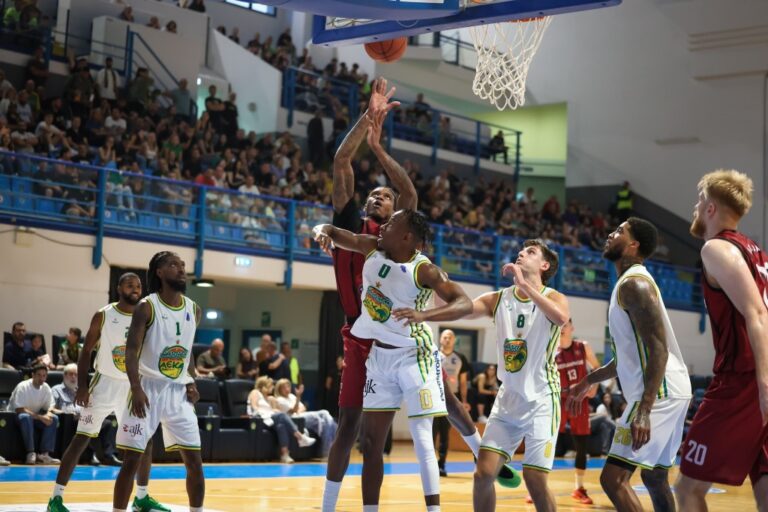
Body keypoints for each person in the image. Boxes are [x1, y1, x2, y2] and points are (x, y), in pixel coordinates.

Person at [321, 77, 518, 512]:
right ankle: (329, 505)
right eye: (373, 195)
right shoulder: (359, 231)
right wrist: (368, 119)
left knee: (446, 399)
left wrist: (380, 149)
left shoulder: (403, 242)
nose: (376, 198)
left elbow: (409, 192)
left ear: (400, 219)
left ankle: (483, 452)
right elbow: (341, 161)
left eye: (384, 197)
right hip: (361, 335)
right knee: (350, 427)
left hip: (404, 336)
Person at [314, 208, 473, 512]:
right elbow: (336, 233)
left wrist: (425, 315)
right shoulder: (372, 247)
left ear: (407, 237)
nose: (383, 225)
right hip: (377, 353)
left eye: (392, 221)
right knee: (367, 441)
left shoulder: (423, 269)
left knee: (426, 431)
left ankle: (477, 458)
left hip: (414, 353)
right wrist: (322, 230)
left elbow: (464, 303)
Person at [567, 218, 691, 512]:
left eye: (620, 231)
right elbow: (625, 358)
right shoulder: (628, 284)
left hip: (659, 393)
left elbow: (658, 349)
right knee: (654, 477)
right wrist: (588, 380)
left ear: (634, 245)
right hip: (672, 390)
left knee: (614, 480)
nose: (611, 234)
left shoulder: (634, 284)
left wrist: (644, 410)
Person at [675, 170, 768, 511]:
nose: (695, 207)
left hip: (743, 380)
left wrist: (763, 384)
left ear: (710, 208)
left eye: (699, 200)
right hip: (755, 378)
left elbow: (758, 314)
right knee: (765, 487)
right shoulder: (757, 253)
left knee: (687, 488)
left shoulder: (716, 248)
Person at [47, 273, 169, 512]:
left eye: (138, 286)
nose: (135, 289)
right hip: (103, 385)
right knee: (81, 438)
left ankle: (141, 497)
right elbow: (86, 352)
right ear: (119, 288)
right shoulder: (104, 314)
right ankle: (55, 498)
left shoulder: (146, 316)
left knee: (144, 441)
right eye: (130, 285)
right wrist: (83, 385)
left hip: (132, 386)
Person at [468, 239, 570, 512]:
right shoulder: (499, 298)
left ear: (544, 265)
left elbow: (561, 318)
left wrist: (525, 285)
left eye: (531, 252)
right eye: (521, 251)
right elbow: (464, 308)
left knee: (534, 479)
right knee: (483, 475)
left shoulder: (554, 297)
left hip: (542, 400)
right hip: (508, 400)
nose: (521, 253)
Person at [111, 252, 204, 512]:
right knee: (132, 460)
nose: (181, 269)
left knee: (195, 462)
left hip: (178, 392)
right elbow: (131, 351)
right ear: (160, 272)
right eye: (174, 265)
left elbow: (187, 349)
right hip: (147, 387)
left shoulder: (194, 309)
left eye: (182, 265)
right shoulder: (147, 306)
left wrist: (191, 381)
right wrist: (136, 388)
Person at [555, 318, 601, 505]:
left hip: (579, 400)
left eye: (564, 324)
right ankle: (536, 487)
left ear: (572, 328)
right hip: (558, 400)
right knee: (546, 443)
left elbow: (597, 368)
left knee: (581, 444)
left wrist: (594, 386)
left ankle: (579, 488)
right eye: (558, 325)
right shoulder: (550, 350)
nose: (561, 328)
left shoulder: (583, 347)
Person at [247, 376, 316, 464]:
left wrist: (273, 408)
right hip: (259, 419)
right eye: (270, 386)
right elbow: (254, 407)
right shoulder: (255, 392)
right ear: (264, 386)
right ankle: (301, 437)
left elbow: (274, 409)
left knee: (281, 426)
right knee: (282, 415)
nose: (272, 388)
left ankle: (285, 455)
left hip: (268, 419)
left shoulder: (269, 398)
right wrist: (271, 412)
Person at [433, 329, 470, 477]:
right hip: (434, 399)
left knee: (444, 433)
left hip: (451, 400)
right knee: (431, 432)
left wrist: (464, 401)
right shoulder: (433, 355)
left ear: (454, 340)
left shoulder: (460, 358)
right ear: (440, 339)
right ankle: (430, 465)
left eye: (450, 337)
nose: (447, 339)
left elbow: (463, 382)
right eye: (444, 337)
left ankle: (441, 465)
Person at [10, 364, 60, 465]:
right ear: (33, 375)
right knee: (25, 417)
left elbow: (51, 406)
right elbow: (20, 409)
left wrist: (48, 415)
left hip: (34, 416)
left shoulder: (46, 387)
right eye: (39, 375)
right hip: (16, 415)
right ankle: (30, 453)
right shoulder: (23, 386)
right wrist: (41, 417)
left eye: (44, 376)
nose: (42, 378)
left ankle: (44, 455)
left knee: (53, 418)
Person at [273, 378, 337, 457]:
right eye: (284, 388)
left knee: (328, 423)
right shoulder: (279, 399)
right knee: (324, 413)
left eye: (288, 386)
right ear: (279, 389)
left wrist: (297, 410)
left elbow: (303, 408)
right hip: (294, 420)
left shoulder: (292, 396)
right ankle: (328, 450)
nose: (287, 389)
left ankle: (326, 452)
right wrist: (298, 397)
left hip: (301, 415)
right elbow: (293, 410)